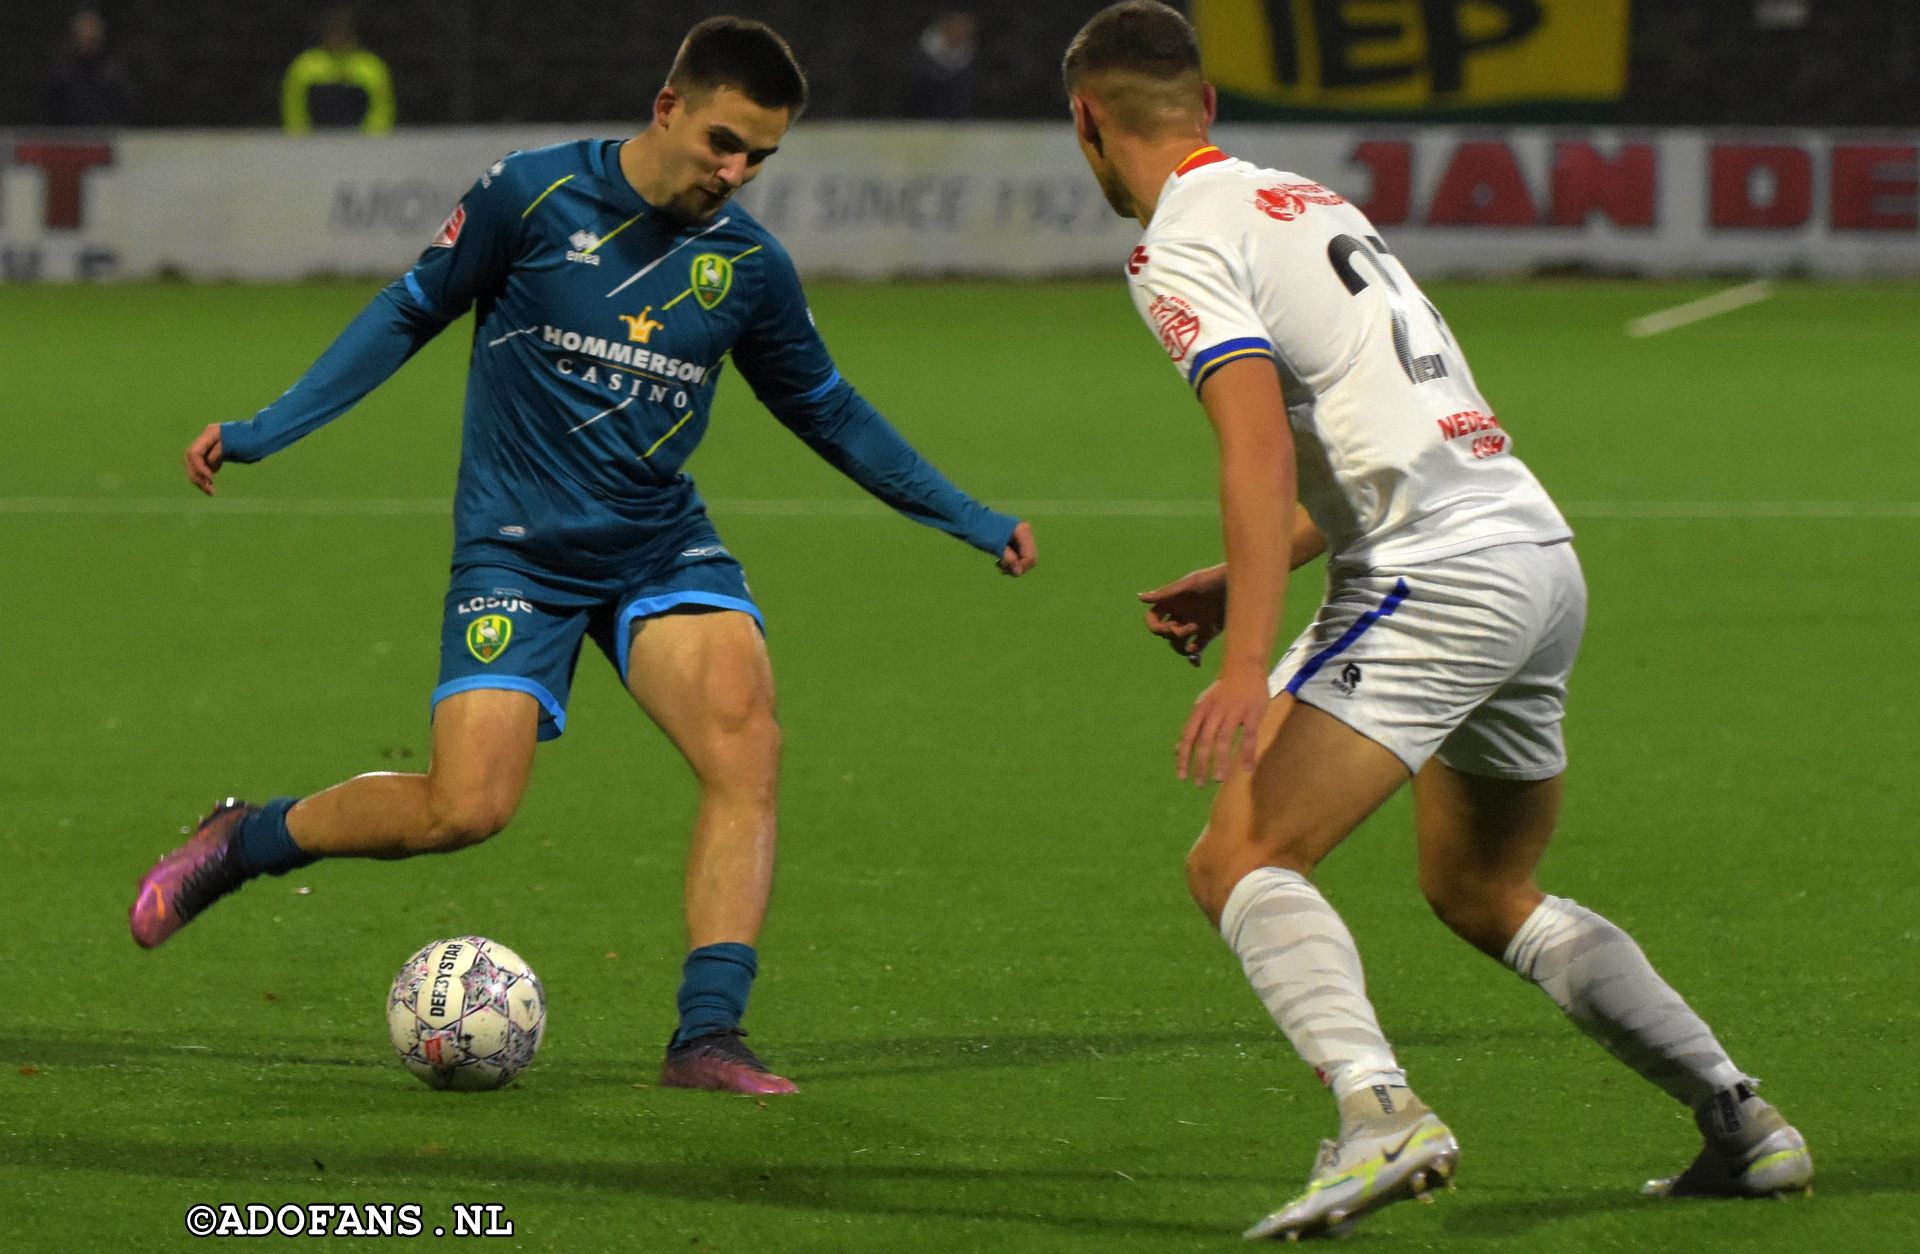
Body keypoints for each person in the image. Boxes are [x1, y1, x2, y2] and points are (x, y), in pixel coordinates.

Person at [132, 17, 1037, 1097]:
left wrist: (965, 514)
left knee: (745, 745)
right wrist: (266, 428)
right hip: (519, 556)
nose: (735, 171)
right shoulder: (532, 195)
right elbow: (407, 312)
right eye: (721, 142)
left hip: (659, 546)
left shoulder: (745, 266)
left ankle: (707, 1035)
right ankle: (248, 839)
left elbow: (828, 410)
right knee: (463, 808)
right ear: (668, 106)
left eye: (759, 156)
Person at [1061, 2, 1808, 1239]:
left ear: (1085, 119)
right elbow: (1393, 431)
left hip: (1436, 576)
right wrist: (1248, 569)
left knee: (1238, 855)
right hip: (1531, 555)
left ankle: (1378, 1113)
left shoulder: (1177, 244)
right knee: (1481, 882)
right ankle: (1741, 1118)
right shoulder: (1310, 202)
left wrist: (1250, 661)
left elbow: (1252, 447)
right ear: (1212, 111)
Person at [281, 7, 395, 135]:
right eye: (333, 31)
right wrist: (300, 142)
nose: (338, 37)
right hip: (314, 145)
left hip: (360, 145)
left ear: (353, 34)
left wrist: (369, 144)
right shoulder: (305, 65)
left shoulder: (370, 67)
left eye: (343, 32)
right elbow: (294, 109)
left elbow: (381, 110)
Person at [43, 8, 135, 126]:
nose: (87, 42)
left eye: (92, 39)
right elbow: (51, 111)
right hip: (69, 139)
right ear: (74, 37)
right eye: (83, 38)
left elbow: (126, 109)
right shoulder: (61, 73)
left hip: (106, 137)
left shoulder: (113, 73)